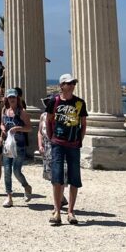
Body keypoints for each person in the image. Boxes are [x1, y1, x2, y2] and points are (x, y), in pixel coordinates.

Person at [47, 73, 87, 226]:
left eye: (73, 83)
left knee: (74, 177)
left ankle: (71, 211)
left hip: (74, 144)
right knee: (57, 177)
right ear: (61, 86)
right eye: (69, 83)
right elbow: (49, 120)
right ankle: (57, 211)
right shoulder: (54, 101)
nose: (72, 86)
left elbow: (83, 123)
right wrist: (51, 138)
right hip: (58, 143)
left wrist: (79, 139)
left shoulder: (80, 103)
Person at [0, 88, 33, 207]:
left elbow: (29, 128)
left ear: (17, 98)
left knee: (16, 171)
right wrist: (2, 131)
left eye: (13, 97)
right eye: (10, 97)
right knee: (7, 170)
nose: (12, 99)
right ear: (7, 99)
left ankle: (26, 186)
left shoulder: (22, 112)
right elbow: (2, 124)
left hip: (19, 146)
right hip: (7, 145)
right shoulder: (4, 110)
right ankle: (9, 196)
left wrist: (18, 128)